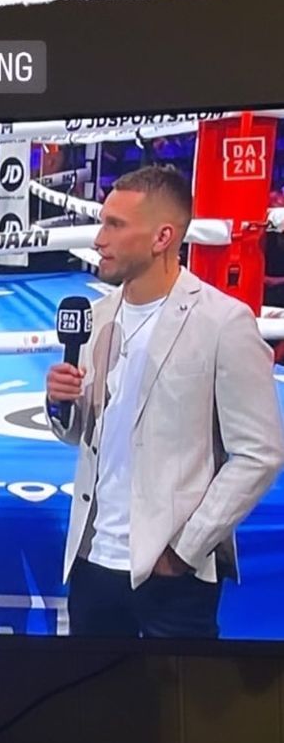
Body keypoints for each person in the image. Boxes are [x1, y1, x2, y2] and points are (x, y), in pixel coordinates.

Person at [45, 165, 284, 639]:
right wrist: (60, 403)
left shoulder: (222, 322)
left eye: (116, 225)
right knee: (88, 690)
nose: (99, 239)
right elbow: (81, 437)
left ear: (162, 237)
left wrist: (184, 551)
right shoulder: (98, 317)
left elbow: (260, 453)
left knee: (176, 691)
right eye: (102, 222)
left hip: (172, 576)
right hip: (93, 561)